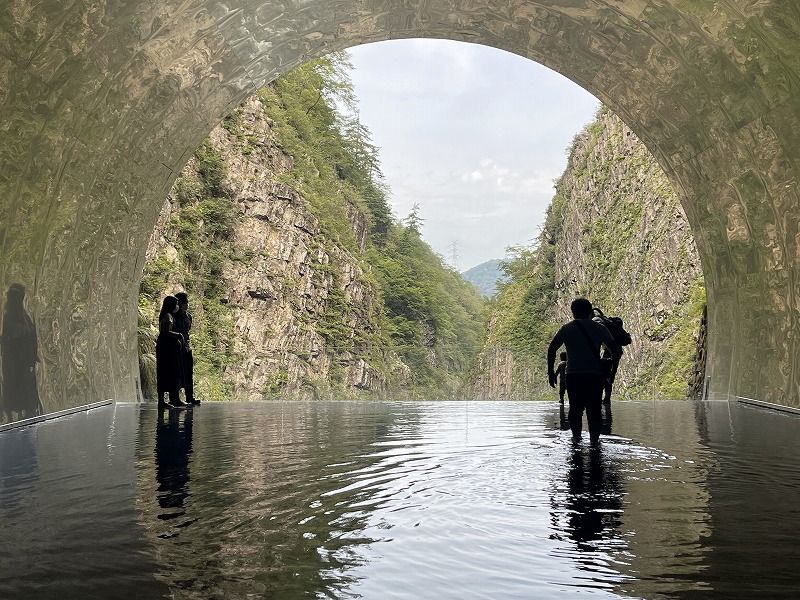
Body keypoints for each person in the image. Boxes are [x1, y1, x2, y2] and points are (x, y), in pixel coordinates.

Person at [548, 298, 618, 445]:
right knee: (594, 412)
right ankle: (594, 443)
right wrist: (612, 373)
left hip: (573, 375)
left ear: (573, 312)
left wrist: (550, 373)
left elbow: (552, 348)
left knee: (575, 410)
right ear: (590, 311)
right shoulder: (599, 328)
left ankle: (576, 440)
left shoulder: (566, 329)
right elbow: (615, 351)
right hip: (594, 376)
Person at [0, 284, 43, 422]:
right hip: (14, 361)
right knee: (14, 385)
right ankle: (13, 416)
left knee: (23, 385)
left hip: (22, 361)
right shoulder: (10, 316)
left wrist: (33, 354)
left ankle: (24, 412)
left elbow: (30, 334)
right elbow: (13, 334)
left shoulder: (23, 315)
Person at [156, 295, 188, 409]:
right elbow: (167, 332)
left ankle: (163, 400)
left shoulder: (163, 315)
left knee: (163, 372)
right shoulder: (169, 316)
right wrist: (179, 335)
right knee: (173, 372)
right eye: (176, 304)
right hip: (168, 347)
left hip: (163, 346)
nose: (177, 306)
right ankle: (175, 399)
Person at [174, 292, 199, 405]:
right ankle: (176, 398)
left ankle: (190, 397)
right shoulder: (173, 316)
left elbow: (188, 330)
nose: (186, 304)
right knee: (178, 373)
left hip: (187, 348)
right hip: (176, 348)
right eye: (184, 302)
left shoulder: (189, 316)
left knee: (189, 373)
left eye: (186, 302)